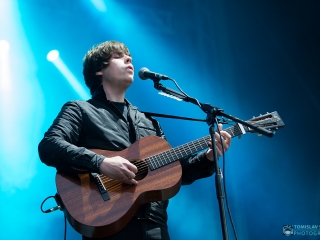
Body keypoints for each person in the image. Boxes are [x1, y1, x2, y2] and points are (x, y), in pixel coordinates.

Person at [38, 40, 231, 240]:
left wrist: (209, 156)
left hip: (154, 227)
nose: (129, 58)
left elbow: (176, 171)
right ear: (99, 71)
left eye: (129, 56)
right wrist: (102, 163)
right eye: (118, 56)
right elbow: (49, 146)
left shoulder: (149, 122)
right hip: (106, 222)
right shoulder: (80, 110)